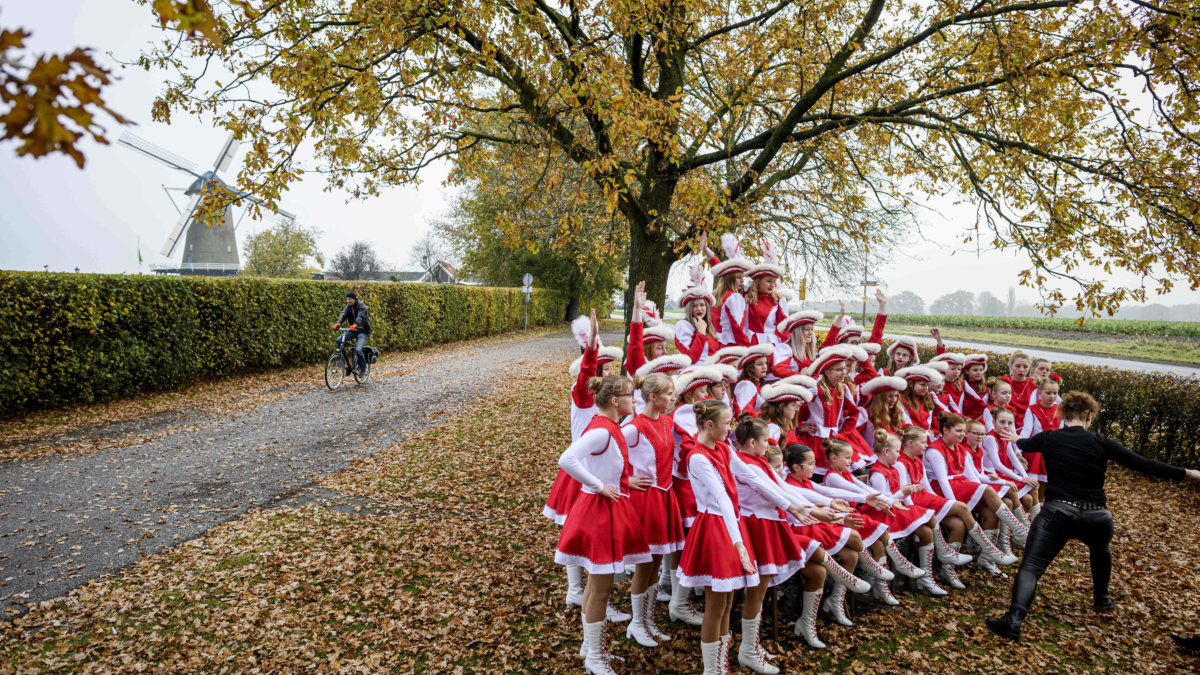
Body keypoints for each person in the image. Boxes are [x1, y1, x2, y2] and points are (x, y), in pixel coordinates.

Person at [986, 391, 1200, 641]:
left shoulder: (1049, 438)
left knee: (1031, 566)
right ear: (1090, 416)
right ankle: (1102, 600)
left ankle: (1013, 621)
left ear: (1064, 415)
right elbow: (1144, 464)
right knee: (1100, 550)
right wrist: (1188, 472)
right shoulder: (1102, 441)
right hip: (1097, 516)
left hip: (1057, 513)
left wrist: (1016, 438)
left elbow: (1024, 442)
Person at [555, 375, 653, 674]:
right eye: (630, 396)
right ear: (615, 401)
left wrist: (624, 482)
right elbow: (567, 459)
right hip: (599, 512)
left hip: (607, 507)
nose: (634, 401)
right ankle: (595, 658)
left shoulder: (610, 426)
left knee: (597, 584)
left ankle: (590, 649)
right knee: (601, 586)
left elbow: (605, 464)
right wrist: (599, 485)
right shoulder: (601, 430)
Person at [676, 400, 758, 675]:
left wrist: (794, 504)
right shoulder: (698, 457)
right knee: (716, 604)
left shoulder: (723, 447)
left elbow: (752, 476)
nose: (731, 428)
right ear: (710, 425)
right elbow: (721, 499)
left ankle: (721, 665)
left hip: (730, 527)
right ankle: (712, 670)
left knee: (728, 602)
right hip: (714, 529)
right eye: (727, 423)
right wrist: (740, 546)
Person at [621, 373, 684, 647]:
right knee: (644, 565)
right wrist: (627, 480)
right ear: (653, 397)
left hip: (665, 499)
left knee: (657, 563)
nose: (673, 398)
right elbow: (605, 455)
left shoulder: (669, 422)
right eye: (669, 394)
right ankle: (636, 623)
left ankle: (648, 621)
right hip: (645, 501)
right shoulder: (633, 427)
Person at [676, 265, 719, 364]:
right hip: (693, 375)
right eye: (695, 306)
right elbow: (691, 359)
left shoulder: (709, 326)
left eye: (702, 305)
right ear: (689, 309)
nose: (699, 309)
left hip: (711, 374)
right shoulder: (683, 325)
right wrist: (701, 333)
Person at [332, 292, 370, 373]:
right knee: (339, 340)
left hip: (362, 331)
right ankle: (341, 359)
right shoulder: (348, 306)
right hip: (352, 330)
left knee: (358, 350)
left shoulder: (361, 305)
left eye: (350, 299)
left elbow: (361, 316)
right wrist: (338, 323)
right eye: (347, 299)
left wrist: (355, 324)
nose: (348, 301)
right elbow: (343, 314)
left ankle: (363, 368)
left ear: (354, 299)